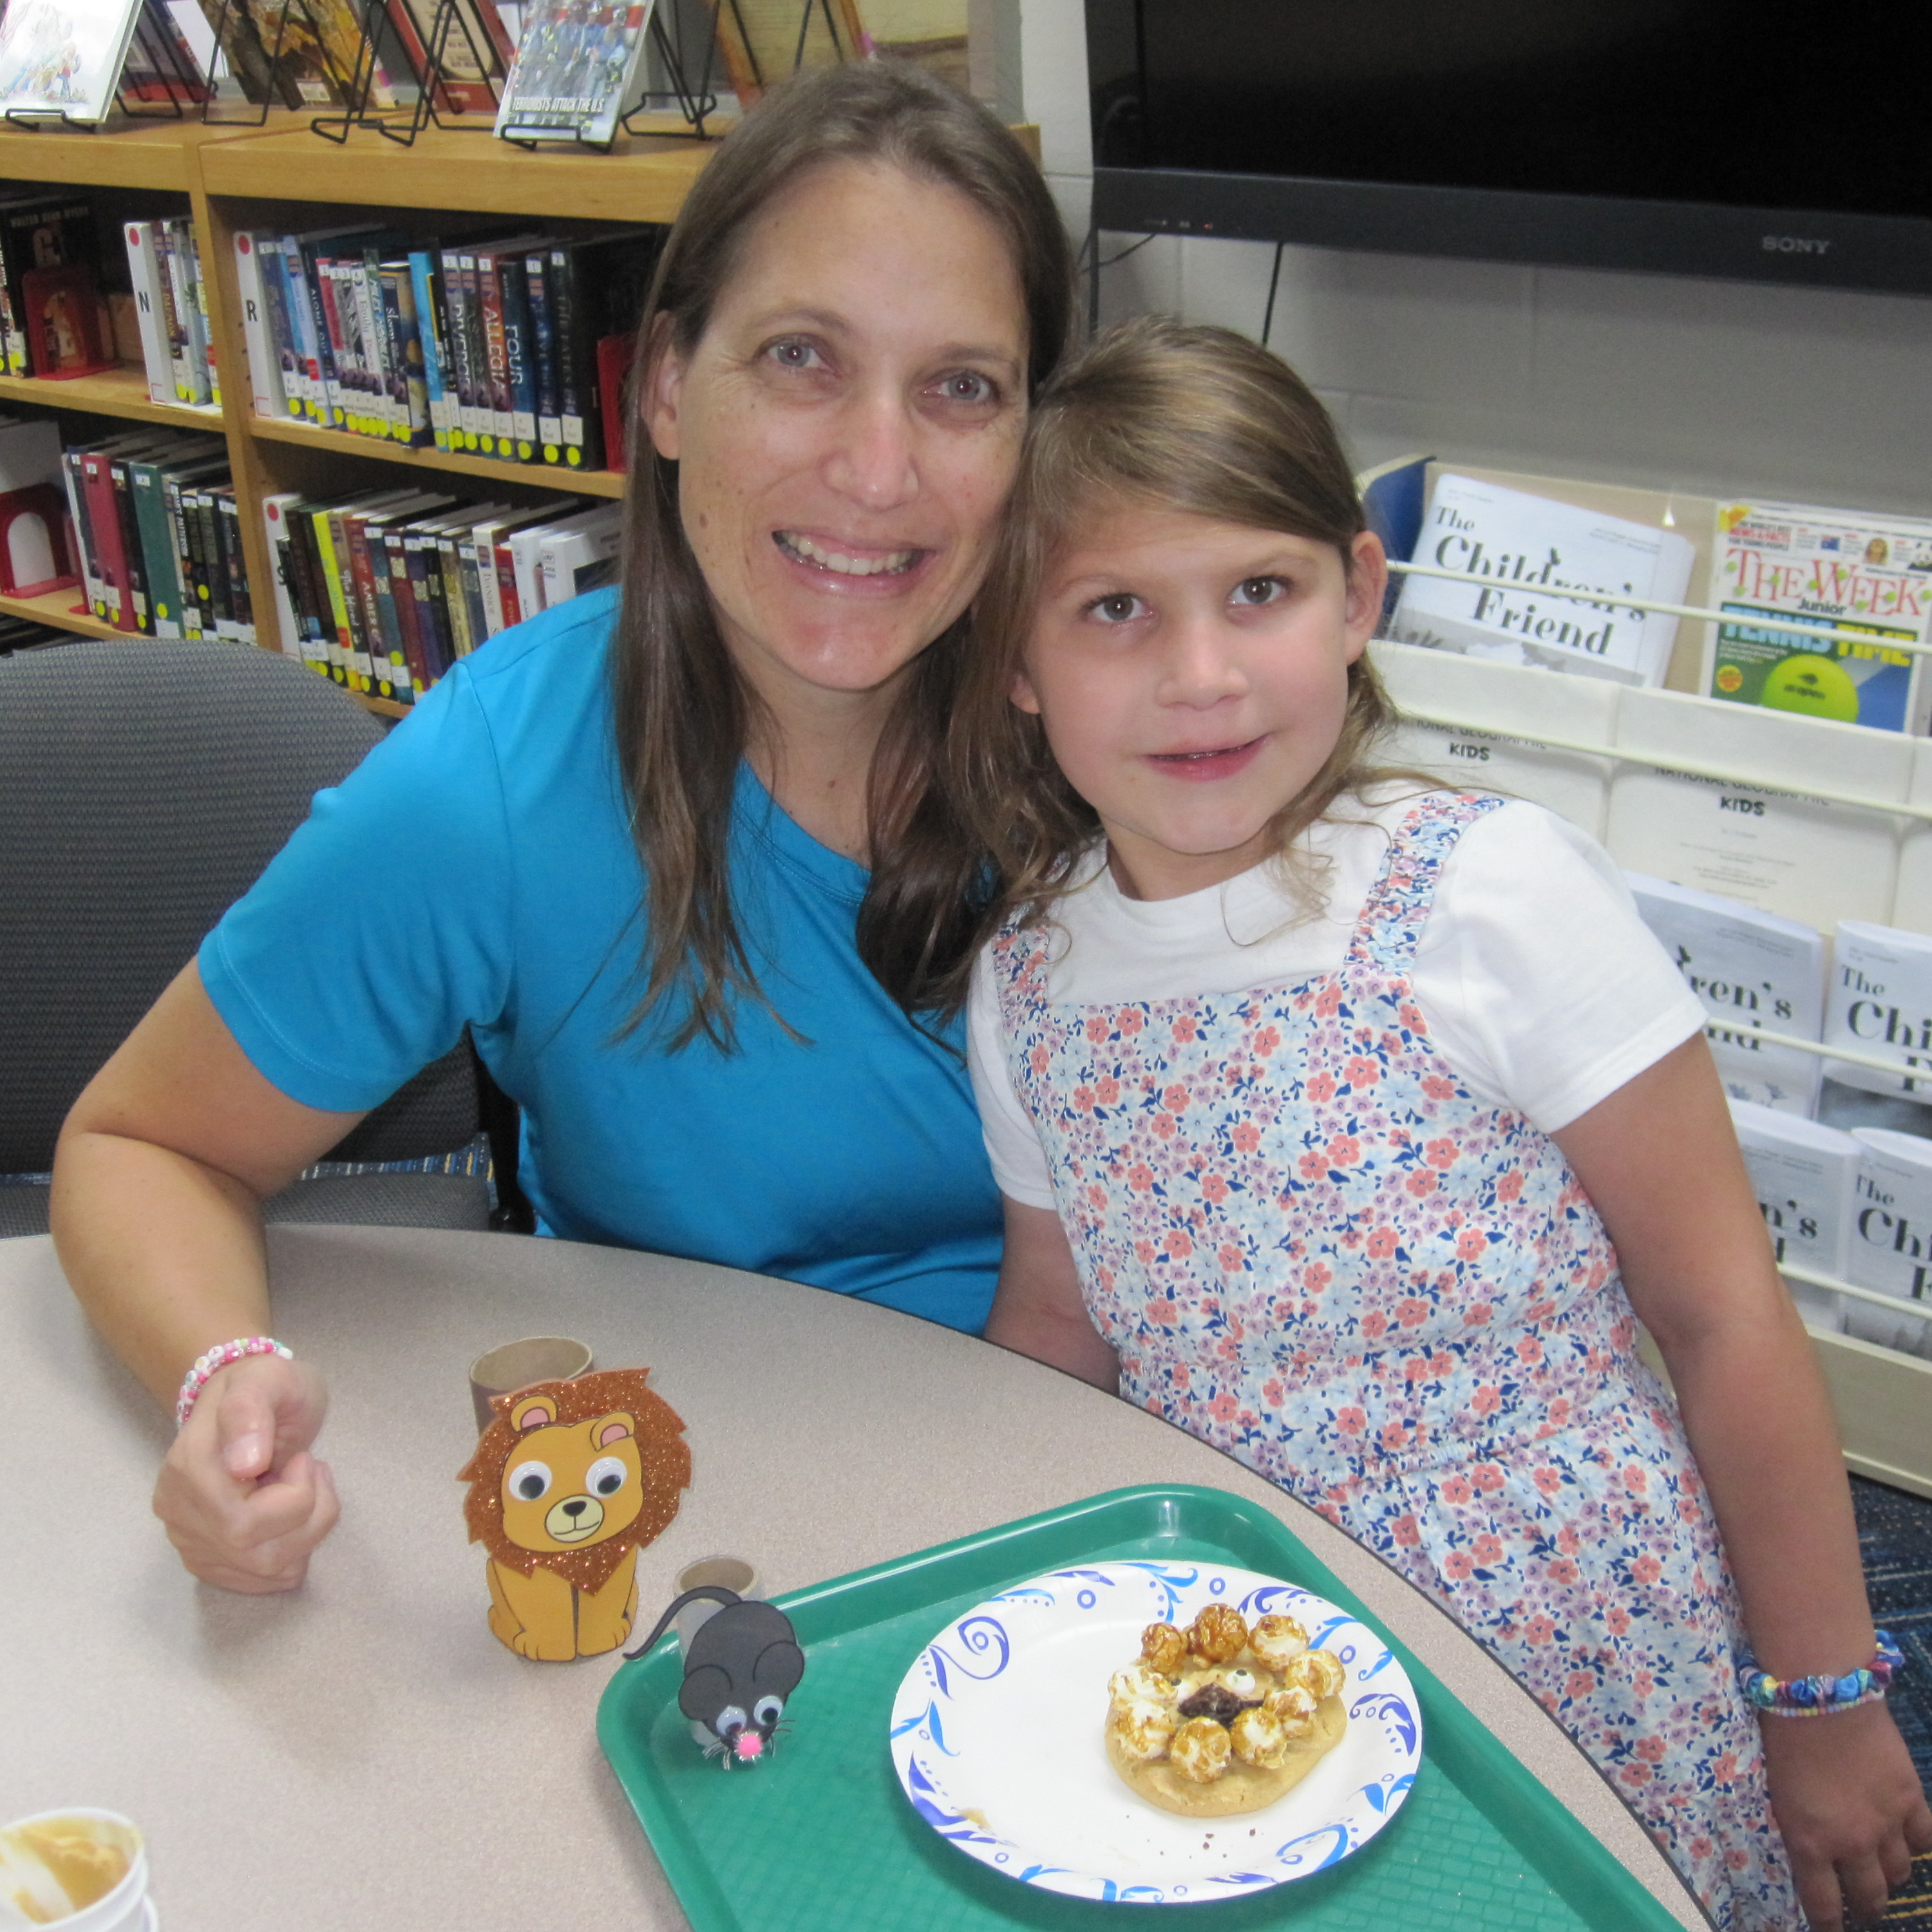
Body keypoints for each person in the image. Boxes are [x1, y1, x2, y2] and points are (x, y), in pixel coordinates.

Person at [954, 316, 1931, 1931]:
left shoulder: (1490, 892)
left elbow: (1722, 1311)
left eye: (1256, 592)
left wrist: (1821, 1699)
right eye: (1116, 610)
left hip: (1576, 1642)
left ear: (1359, 596)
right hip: (1246, 1643)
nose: (1199, 675)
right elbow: (1058, 1326)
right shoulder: (1032, 980)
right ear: (1015, 659)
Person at [50, 63, 1073, 1597]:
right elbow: (140, 1143)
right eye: (801, 358)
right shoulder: (500, 790)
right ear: (664, 385)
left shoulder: (1127, 727)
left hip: (1102, 1477)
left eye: (961, 387)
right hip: (713, 1528)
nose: (879, 468)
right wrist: (222, 1381)